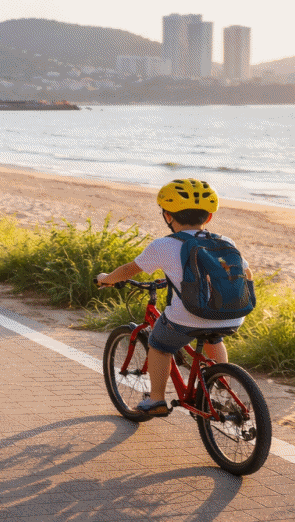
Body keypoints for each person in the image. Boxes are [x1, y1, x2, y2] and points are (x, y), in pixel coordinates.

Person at [95, 178, 251, 419]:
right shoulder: (225, 242)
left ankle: (156, 400)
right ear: (208, 217)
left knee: (159, 344)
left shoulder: (164, 245)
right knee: (213, 336)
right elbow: (245, 273)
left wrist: (107, 278)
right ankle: (220, 380)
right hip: (231, 316)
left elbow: (128, 270)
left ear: (168, 216)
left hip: (187, 317)